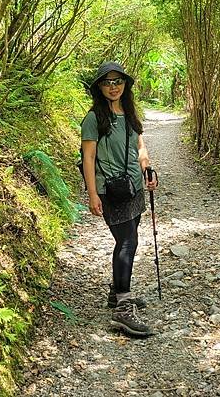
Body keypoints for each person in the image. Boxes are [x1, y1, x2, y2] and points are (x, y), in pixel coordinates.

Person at [80, 61, 158, 337]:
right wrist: (92, 193)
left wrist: (147, 167)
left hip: (134, 186)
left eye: (118, 81)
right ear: (99, 88)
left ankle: (117, 293)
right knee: (127, 241)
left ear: (125, 84)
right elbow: (88, 157)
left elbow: (139, 144)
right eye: (107, 82)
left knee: (129, 237)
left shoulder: (130, 113)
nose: (113, 87)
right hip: (110, 189)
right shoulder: (94, 119)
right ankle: (123, 308)